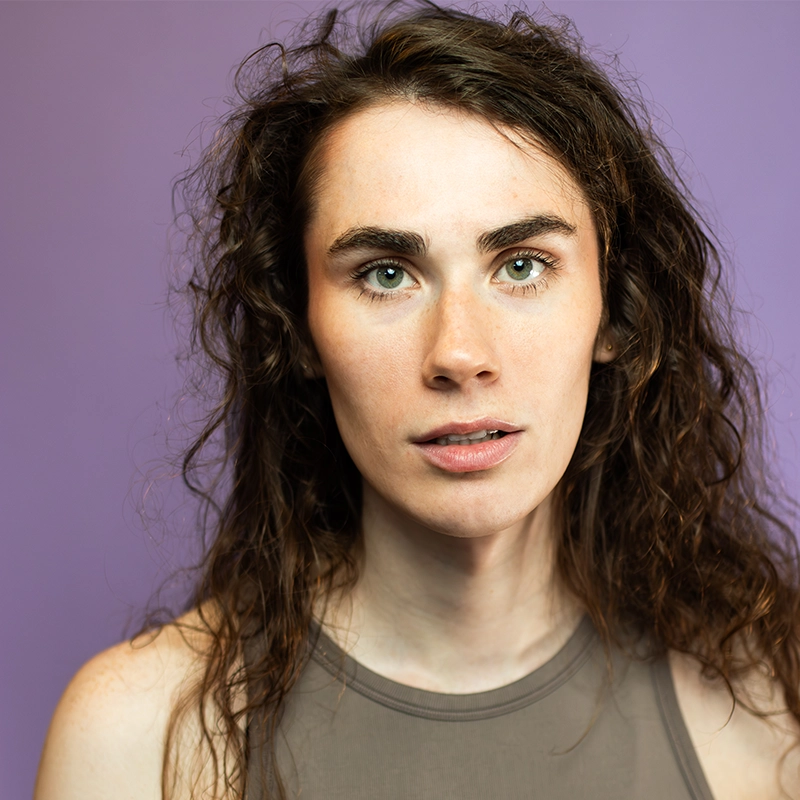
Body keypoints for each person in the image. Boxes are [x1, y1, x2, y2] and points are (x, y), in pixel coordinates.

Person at [34, 2, 800, 798]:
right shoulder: (138, 736)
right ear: (295, 328)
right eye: (386, 273)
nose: (459, 354)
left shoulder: (770, 704)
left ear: (615, 309)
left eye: (522, 264)